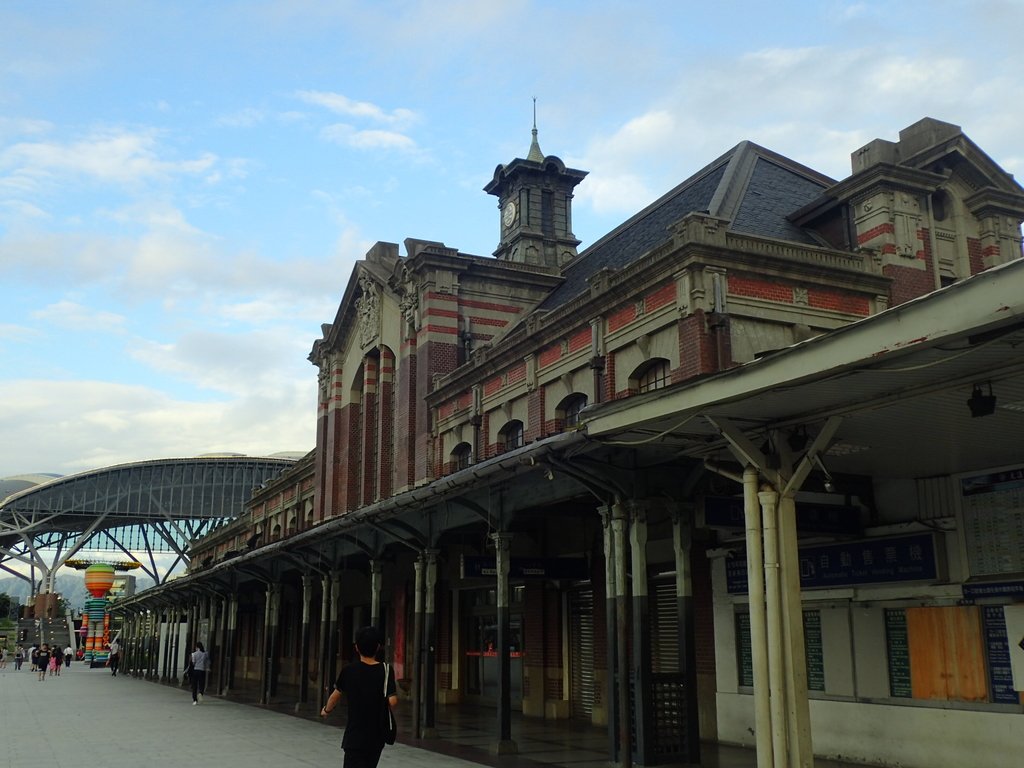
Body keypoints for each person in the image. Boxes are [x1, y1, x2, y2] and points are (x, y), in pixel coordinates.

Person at [320, 627, 398, 768]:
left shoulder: (348, 671)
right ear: (378, 647)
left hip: (354, 737)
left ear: (357, 648)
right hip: (376, 738)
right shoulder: (385, 670)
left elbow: (335, 696)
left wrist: (326, 710)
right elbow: (392, 701)